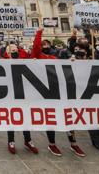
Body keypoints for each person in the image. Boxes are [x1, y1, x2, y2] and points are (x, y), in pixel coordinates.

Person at [32, 27, 86, 158]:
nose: (44, 46)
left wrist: (72, 62)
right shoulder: (37, 57)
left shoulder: (55, 57)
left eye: (47, 44)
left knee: (67, 117)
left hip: (61, 91)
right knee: (51, 119)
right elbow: (36, 46)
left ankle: (73, 143)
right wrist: (39, 33)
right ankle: (52, 143)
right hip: (46, 93)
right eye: (43, 45)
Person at [2, 43, 39, 155]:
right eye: (12, 50)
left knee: (25, 117)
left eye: (15, 49)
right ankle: (11, 141)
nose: (15, 51)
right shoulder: (3, 63)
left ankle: (28, 140)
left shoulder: (24, 61)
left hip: (23, 95)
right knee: (11, 118)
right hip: (10, 96)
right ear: (8, 53)